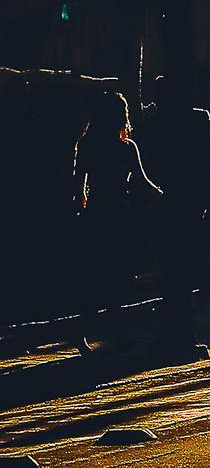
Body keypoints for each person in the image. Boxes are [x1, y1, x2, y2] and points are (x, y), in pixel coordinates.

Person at [139, 77, 210, 358]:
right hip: (184, 198)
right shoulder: (196, 119)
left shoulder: (154, 124)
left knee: (175, 261)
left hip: (174, 197)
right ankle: (184, 325)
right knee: (182, 259)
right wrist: (205, 177)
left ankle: (178, 326)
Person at [72, 89, 158, 355]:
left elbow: (79, 186)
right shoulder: (126, 148)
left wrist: (82, 206)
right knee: (117, 276)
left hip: (97, 214)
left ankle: (88, 329)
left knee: (96, 275)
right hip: (121, 214)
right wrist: (164, 196)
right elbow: (143, 182)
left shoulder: (87, 145)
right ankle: (116, 331)